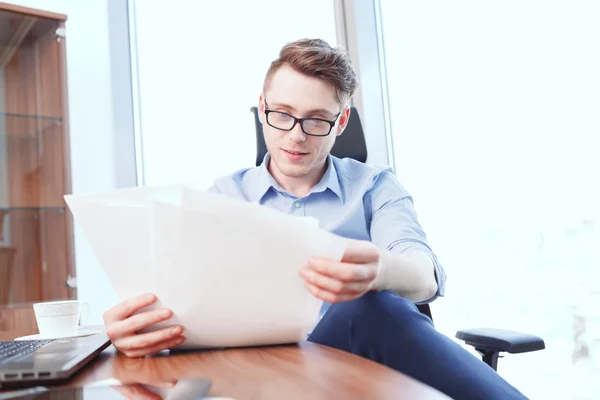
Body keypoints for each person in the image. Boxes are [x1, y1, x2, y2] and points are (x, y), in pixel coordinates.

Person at [103, 38, 528, 399]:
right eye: (282, 114)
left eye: (317, 120)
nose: (296, 135)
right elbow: (183, 306)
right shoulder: (221, 198)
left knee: (369, 307)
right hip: (260, 379)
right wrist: (135, 329)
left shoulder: (375, 188)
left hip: (359, 374)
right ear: (262, 107)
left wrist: (381, 270)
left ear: (341, 121)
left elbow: (424, 274)